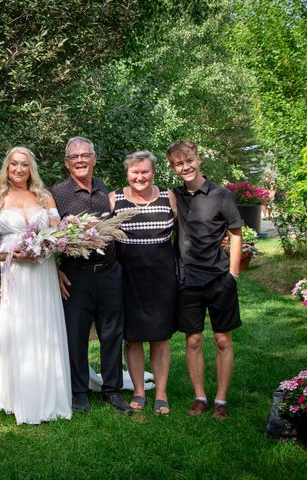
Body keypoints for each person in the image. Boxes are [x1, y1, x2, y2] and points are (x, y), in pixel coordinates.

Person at [0, 146, 72, 424]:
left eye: (24, 165)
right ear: (6, 168)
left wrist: (41, 251)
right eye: (13, 165)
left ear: (31, 168)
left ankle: (48, 393)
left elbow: (60, 233)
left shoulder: (44, 196)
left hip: (42, 271)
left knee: (44, 327)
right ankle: (11, 395)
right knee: (17, 329)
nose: (19, 170)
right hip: (13, 274)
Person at [51, 136, 133, 414]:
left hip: (110, 273)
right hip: (76, 275)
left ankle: (112, 390)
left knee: (112, 332)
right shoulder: (57, 193)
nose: (80, 161)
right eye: (74, 157)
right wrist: (55, 270)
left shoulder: (103, 189)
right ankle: (79, 391)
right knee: (76, 334)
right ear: (67, 163)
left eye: (85, 155)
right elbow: (48, 236)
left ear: (94, 159)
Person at [166, 140, 243, 420]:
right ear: (173, 167)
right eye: (178, 164)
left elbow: (235, 233)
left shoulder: (221, 195)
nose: (185, 167)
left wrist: (233, 274)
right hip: (187, 279)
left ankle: (221, 400)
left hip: (219, 279)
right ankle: (200, 397)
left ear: (198, 159)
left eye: (189, 161)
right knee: (194, 340)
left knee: (223, 340)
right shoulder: (174, 196)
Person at [108, 151, 177, 415]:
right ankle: (138, 390)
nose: (140, 177)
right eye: (135, 172)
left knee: (160, 338)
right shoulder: (115, 198)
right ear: (127, 173)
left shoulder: (168, 197)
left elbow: (188, 229)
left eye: (145, 172)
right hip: (127, 279)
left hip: (162, 279)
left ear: (153, 173)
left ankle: (161, 392)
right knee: (133, 338)